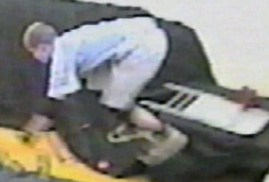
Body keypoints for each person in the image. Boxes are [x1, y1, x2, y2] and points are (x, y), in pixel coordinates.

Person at [20, 18, 171, 138]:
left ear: (43, 47)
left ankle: (166, 134)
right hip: (140, 37)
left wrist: (28, 135)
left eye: (33, 52)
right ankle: (148, 130)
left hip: (142, 47)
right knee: (107, 101)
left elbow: (53, 102)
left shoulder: (62, 51)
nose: (35, 57)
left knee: (114, 107)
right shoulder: (72, 41)